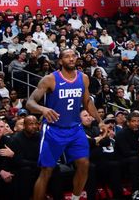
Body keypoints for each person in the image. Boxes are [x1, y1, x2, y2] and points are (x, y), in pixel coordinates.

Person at [26, 48, 100, 200]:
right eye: (67, 56)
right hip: (54, 130)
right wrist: (43, 109)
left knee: (84, 164)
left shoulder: (83, 78)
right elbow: (30, 102)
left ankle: (75, 198)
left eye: (74, 56)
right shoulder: (50, 79)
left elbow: (87, 102)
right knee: (47, 171)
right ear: (60, 61)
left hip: (75, 129)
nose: (71, 59)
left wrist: (101, 122)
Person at [9, 115, 42, 200]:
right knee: (26, 170)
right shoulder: (15, 139)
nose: (34, 126)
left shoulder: (40, 136)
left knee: (55, 168)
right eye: (31, 124)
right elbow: (18, 161)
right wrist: (38, 164)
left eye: (36, 124)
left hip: (37, 164)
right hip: (22, 167)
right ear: (24, 126)